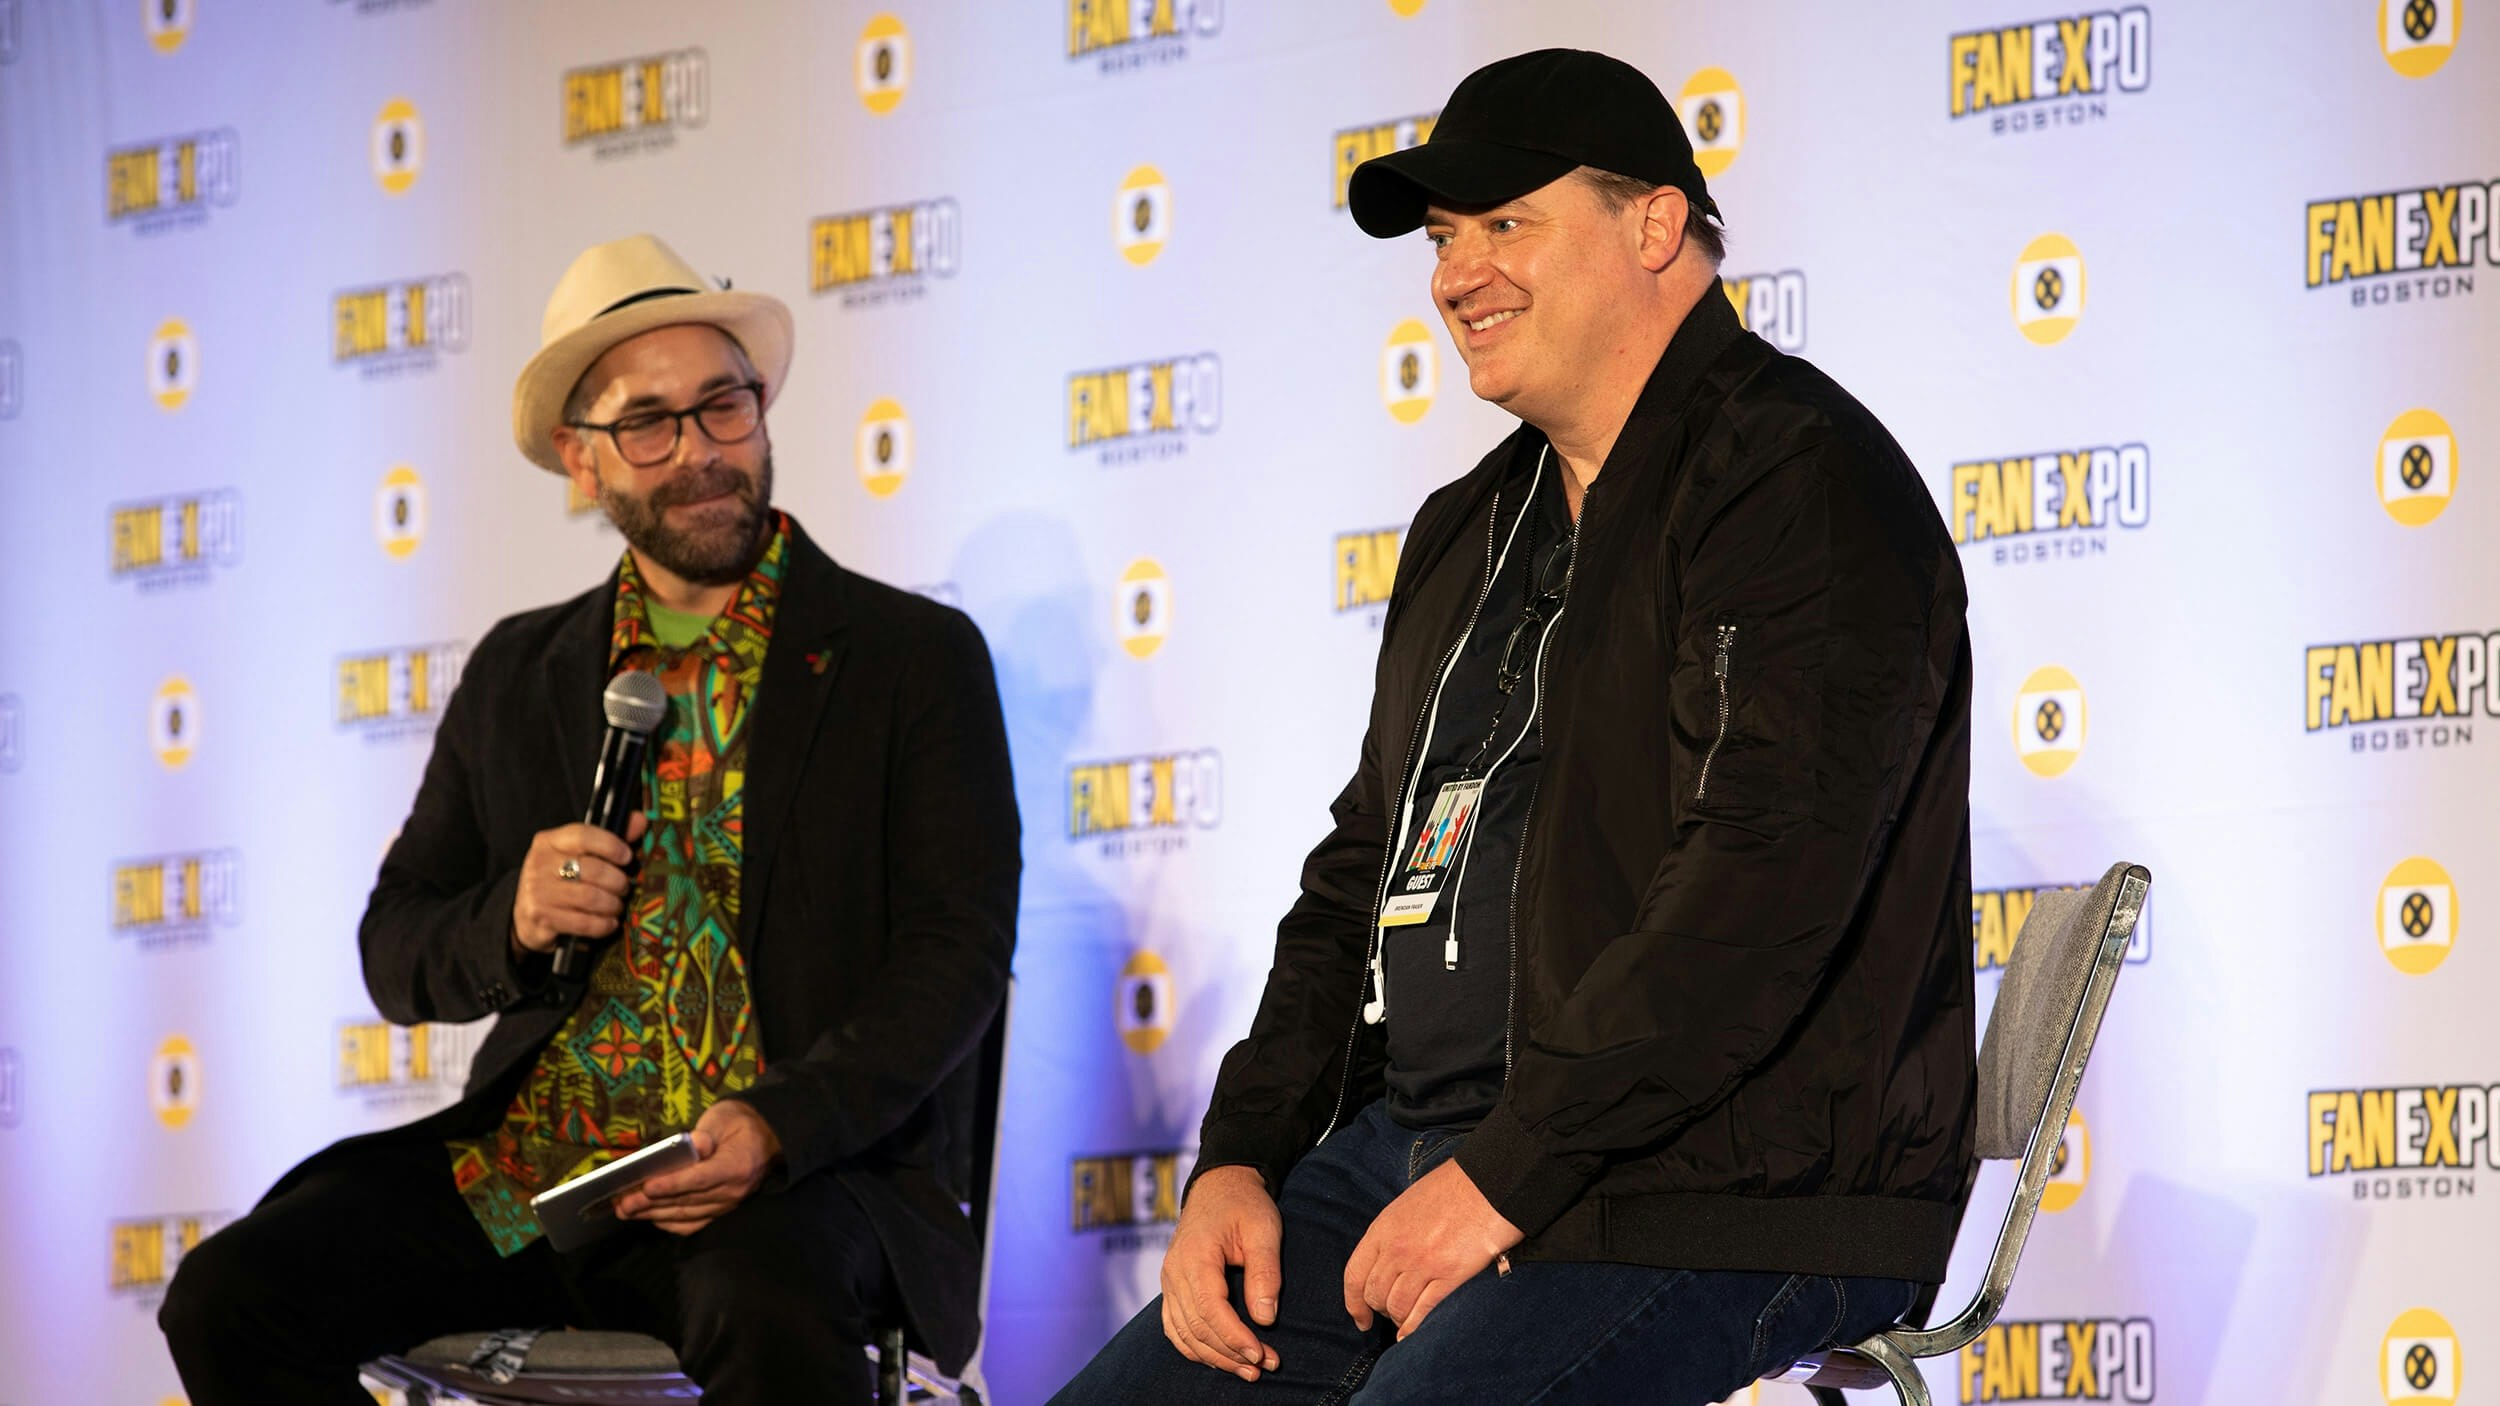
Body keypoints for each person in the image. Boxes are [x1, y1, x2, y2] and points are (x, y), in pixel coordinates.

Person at [1053, 49, 1975, 1405]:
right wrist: (1241, 1155)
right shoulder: (1468, 527)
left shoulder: (1797, 479)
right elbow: (1362, 868)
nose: (1455, 274)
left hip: (1727, 1179)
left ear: (1655, 224)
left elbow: (1758, 898)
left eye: (1504, 225)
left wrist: (1507, 1172)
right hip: (1429, 1142)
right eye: (1442, 238)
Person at [158, 234, 1020, 1405]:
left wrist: (778, 1122)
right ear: (580, 460)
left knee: (767, 1308)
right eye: (648, 424)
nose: (702, 453)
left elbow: (954, 952)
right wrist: (508, 918)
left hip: (785, 1175)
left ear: (762, 412)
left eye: (723, 407)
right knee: (230, 1295)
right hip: (537, 1170)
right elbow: (396, 945)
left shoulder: (911, 657)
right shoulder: (523, 669)